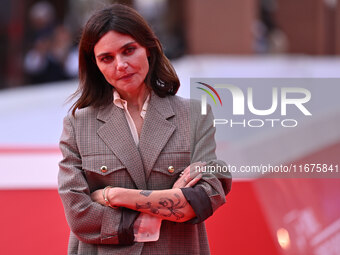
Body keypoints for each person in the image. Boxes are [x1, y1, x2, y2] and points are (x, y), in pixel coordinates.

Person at [58, 4, 231, 254]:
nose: (121, 64)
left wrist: (113, 195)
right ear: (95, 64)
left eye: (129, 50)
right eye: (107, 58)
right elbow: (80, 216)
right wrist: (169, 201)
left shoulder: (194, 115)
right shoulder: (77, 124)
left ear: (149, 48)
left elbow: (203, 200)